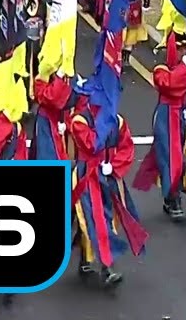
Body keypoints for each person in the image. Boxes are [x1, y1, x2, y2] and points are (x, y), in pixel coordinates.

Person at [68, 89, 147, 288]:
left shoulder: (117, 120)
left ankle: (87, 257)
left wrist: (114, 165)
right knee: (97, 219)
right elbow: (91, 145)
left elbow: (126, 146)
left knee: (102, 218)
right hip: (88, 176)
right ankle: (107, 265)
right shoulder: (80, 121)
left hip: (108, 175)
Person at [133, 32, 186, 221]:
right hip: (167, 116)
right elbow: (170, 85)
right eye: (181, 48)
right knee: (172, 160)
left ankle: (173, 194)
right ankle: (173, 198)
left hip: (185, 118)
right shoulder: (161, 69)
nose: (184, 51)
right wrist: (184, 68)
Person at [30, 70, 73, 161]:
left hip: (61, 124)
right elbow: (51, 98)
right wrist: (59, 78)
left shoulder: (69, 77)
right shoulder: (42, 76)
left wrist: (67, 124)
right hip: (47, 124)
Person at [21, 0, 47, 77]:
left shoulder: (43, 5)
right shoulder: (20, 5)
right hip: (24, 43)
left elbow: (46, 23)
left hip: (39, 42)